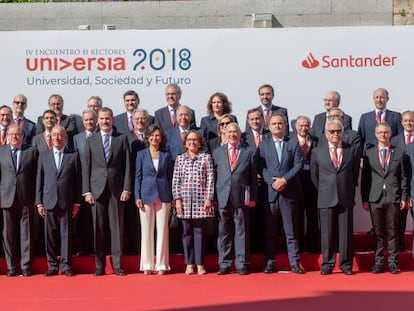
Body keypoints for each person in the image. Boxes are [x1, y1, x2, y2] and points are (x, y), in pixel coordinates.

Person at [83, 107, 132, 276]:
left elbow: (127, 166)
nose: (104, 121)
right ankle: (99, 265)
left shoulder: (121, 139)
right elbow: (86, 167)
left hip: (117, 190)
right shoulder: (91, 140)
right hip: (96, 190)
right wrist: (86, 191)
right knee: (99, 229)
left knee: (117, 229)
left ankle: (118, 265)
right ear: (98, 121)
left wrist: (126, 188)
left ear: (112, 120)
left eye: (107, 118)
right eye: (102, 119)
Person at [256, 113, 304, 274]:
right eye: (274, 123)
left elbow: (298, 165)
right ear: (269, 126)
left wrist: (284, 180)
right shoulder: (264, 144)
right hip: (270, 193)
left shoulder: (293, 143)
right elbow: (260, 167)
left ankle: (295, 263)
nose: (277, 126)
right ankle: (269, 262)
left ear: (285, 125)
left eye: (280, 123)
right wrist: (272, 182)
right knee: (269, 232)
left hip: (288, 192)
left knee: (291, 231)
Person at [311, 119, 360, 275]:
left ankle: (346, 265)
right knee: (327, 233)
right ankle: (327, 264)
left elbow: (354, 174)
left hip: (346, 195)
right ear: (326, 134)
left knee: (346, 233)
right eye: (332, 131)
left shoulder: (351, 150)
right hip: (326, 196)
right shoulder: (317, 151)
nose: (335, 134)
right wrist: (325, 189)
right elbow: (315, 176)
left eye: (338, 131)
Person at [361, 123, 408, 274]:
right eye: (380, 133)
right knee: (378, 232)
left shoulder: (399, 153)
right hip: (375, 198)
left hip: (393, 197)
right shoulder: (369, 153)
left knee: (393, 231)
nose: (383, 135)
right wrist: (364, 198)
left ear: (390, 134)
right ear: (376, 134)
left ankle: (393, 263)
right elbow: (365, 178)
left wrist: (404, 196)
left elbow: (404, 178)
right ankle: (379, 263)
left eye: (385, 132)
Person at [35, 126, 81, 277]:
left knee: (66, 236)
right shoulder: (44, 155)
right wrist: (39, 202)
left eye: (60, 135)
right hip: (48, 201)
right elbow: (39, 180)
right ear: (50, 137)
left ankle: (67, 266)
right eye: (54, 135)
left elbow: (77, 180)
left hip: (66, 202)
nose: (56, 138)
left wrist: (76, 203)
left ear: (65, 138)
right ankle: (53, 266)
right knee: (50, 236)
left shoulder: (73, 155)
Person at [213, 122, 257, 275]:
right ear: (224, 133)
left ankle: (242, 262)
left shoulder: (249, 152)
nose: (232, 135)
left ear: (239, 134)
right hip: (222, 196)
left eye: (235, 132)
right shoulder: (217, 152)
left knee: (241, 230)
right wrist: (213, 198)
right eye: (229, 132)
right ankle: (224, 263)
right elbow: (214, 177)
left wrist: (253, 197)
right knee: (223, 231)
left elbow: (253, 177)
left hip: (241, 197)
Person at [172, 130, 215, 275]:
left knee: (200, 234)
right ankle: (189, 264)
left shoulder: (206, 158)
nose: (192, 142)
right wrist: (177, 200)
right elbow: (176, 181)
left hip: (201, 202)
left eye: (195, 140)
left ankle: (200, 264)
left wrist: (209, 198)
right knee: (186, 234)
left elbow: (210, 179)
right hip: (184, 202)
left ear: (200, 142)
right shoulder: (180, 159)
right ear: (185, 143)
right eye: (189, 140)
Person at [0, 124, 37, 277]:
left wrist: (36, 198)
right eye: (12, 134)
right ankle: (11, 267)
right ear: (7, 136)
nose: (14, 137)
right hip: (7, 198)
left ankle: (26, 266)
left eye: (17, 134)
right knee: (8, 234)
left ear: (22, 136)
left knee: (26, 234)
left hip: (25, 198)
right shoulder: (1, 152)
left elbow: (36, 177)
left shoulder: (31, 152)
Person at [135, 124, 172, 275]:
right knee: (147, 230)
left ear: (161, 138)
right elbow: (138, 176)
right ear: (148, 137)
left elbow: (170, 177)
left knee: (162, 231)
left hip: (164, 195)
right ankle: (147, 264)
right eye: (152, 135)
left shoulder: (167, 155)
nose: (155, 138)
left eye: (158, 135)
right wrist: (137, 196)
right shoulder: (141, 155)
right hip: (146, 194)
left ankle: (162, 264)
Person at [241, 108, 270, 253]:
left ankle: (265, 251)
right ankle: (251, 250)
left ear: (263, 120)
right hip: (249, 184)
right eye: (251, 119)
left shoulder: (270, 136)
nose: (255, 121)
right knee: (250, 219)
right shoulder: (242, 137)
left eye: (257, 118)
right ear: (248, 121)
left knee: (267, 218)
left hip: (268, 183)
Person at [290, 115, 319, 253]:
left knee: (312, 214)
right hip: (296, 181)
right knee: (297, 215)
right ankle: (299, 246)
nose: (304, 128)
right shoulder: (290, 141)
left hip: (312, 181)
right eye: (301, 125)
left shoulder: (316, 141)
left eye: (306, 125)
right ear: (296, 127)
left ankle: (312, 245)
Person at [72, 109, 97, 255]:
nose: (89, 122)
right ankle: (85, 246)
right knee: (83, 218)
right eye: (86, 120)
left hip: (98, 182)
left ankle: (97, 245)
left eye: (92, 120)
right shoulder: (77, 138)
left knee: (97, 217)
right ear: (83, 122)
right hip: (81, 182)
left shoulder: (101, 136)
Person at [124, 108, 148, 255]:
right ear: (132, 121)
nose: (140, 121)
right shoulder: (126, 138)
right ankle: (134, 249)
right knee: (133, 218)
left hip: (149, 183)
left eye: (142, 118)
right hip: (131, 181)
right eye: (137, 119)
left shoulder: (152, 136)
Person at [391, 110, 414, 250]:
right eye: (406, 120)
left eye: (411, 120)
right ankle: (399, 244)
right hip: (399, 185)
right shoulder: (394, 140)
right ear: (401, 122)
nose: (408, 123)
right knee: (399, 217)